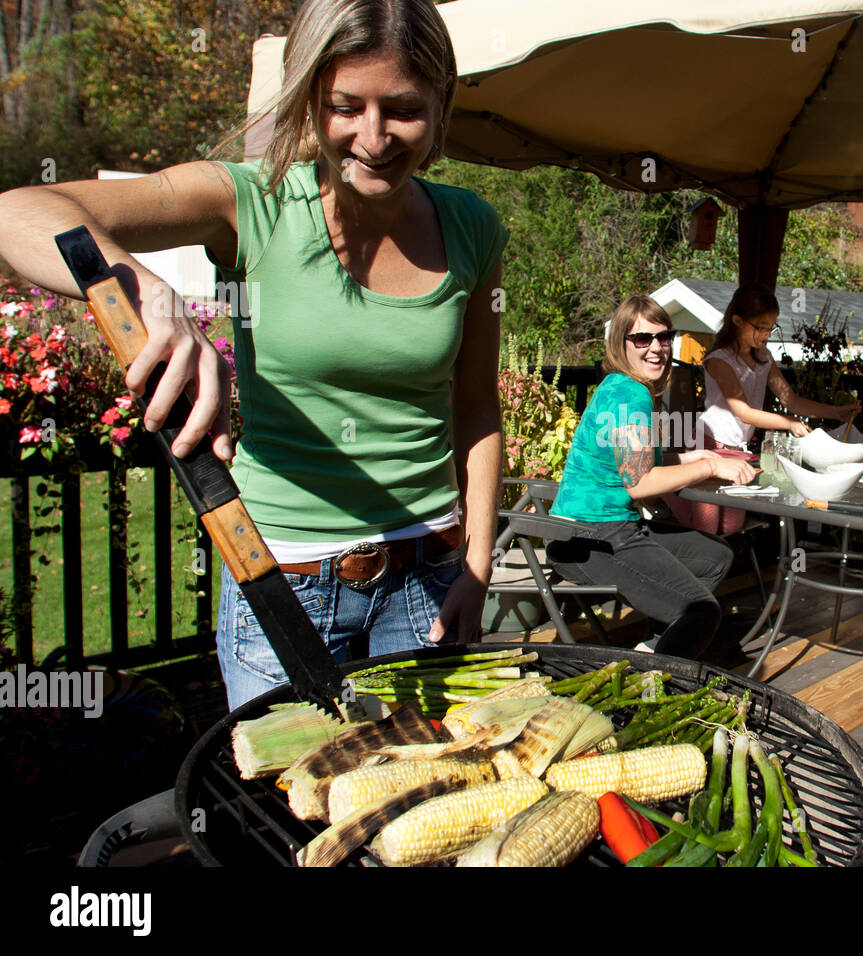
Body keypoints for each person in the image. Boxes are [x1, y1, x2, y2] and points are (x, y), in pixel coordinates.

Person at [0, 0, 506, 709]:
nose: (374, 136)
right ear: (308, 98)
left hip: (428, 579)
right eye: (344, 106)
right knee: (289, 809)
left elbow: (477, 408)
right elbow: (17, 211)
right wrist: (141, 287)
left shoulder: (472, 228)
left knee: (419, 805)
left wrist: (477, 568)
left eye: (402, 109)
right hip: (283, 583)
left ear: (440, 103)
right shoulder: (249, 203)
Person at [547, 294, 755, 659]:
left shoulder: (621, 386)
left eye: (664, 337)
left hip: (597, 530)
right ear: (621, 344)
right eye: (642, 339)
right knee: (703, 612)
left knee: (715, 556)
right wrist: (710, 467)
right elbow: (640, 483)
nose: (657, 348)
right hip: (592, 537)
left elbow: (636, 457)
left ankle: (659, 644)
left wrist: (694, 455)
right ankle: (653, 680)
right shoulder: (630, 394)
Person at [667, 282, 859, 534]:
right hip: (708, 444)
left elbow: (790, 399)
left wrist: (836, 412)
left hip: (737, 450)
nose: (766, 334)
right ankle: (666, 490)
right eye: (760, 327)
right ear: (737, 320)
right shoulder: (719, 359)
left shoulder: (764, 357)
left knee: (731, 526)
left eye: (771, 327)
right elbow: (744, 411)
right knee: (706, 526)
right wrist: (789, 423)